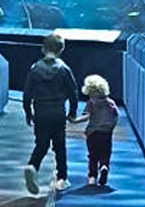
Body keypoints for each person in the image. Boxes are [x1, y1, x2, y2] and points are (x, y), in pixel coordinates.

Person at [23, 33, 78, 193]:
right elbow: (73, 92)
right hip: (58, 112)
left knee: (41, 144)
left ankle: (32, 166)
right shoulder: (64, 69)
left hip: (41, 112)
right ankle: (62, 178)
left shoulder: (35, 69)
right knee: (60, 146)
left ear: (43, 48)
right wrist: (72, 111)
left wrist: (28, 112)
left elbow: (27, 94)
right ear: (61, 49)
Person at [72, 74, 119, 186]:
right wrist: (111, 127)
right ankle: (104, 166)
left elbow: (86, 117)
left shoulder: (91, 103)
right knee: (105, 154)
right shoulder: (110, 103)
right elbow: (116, 116)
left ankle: (92, 177)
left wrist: (75, 121)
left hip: (93, 133)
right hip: (106, 133)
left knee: (92, 156)